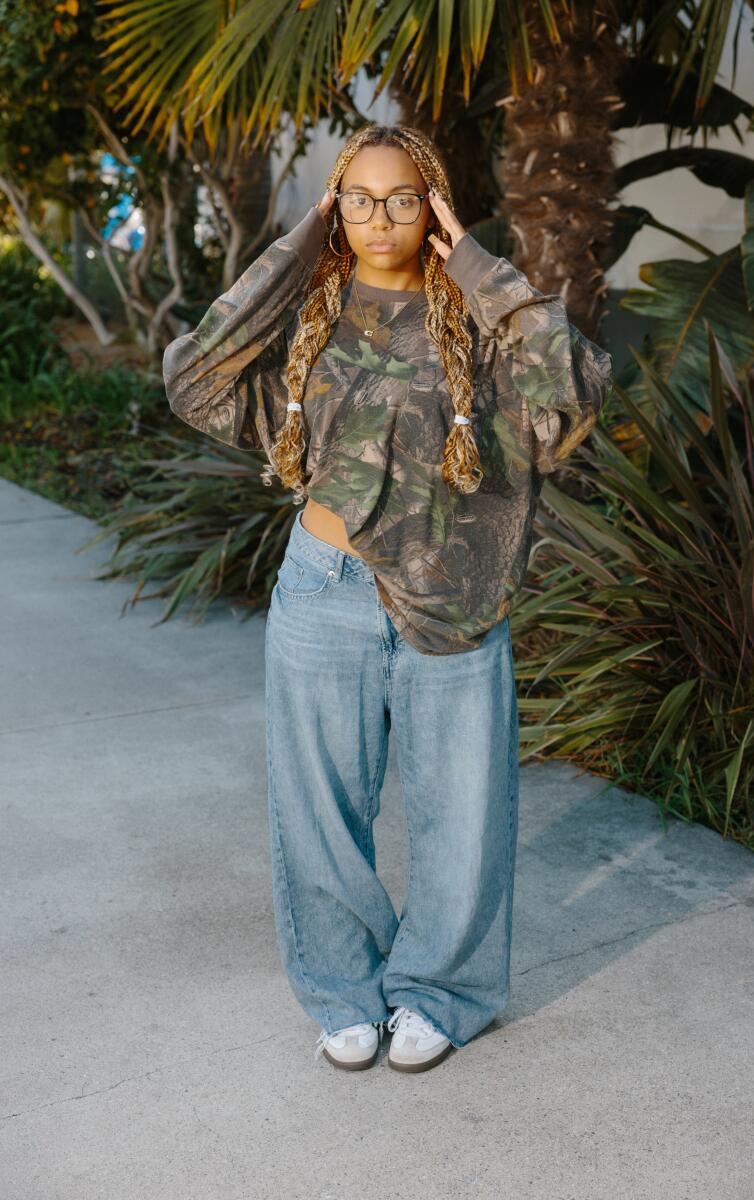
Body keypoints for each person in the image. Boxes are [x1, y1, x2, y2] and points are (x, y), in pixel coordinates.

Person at [162, 122, 613, 1074]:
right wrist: (294, 249)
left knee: (463, 814)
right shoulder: (310, 314)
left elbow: (570, 393)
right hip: (322, 589)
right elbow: (194, 376)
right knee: (318, 813)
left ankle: (440, 993)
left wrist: (484, 270)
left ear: (434, 205)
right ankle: (341, 990)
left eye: (400, 198)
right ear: (335, 206)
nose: (378, 218)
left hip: (453, 600)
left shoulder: (479, 315)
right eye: (355, 199)